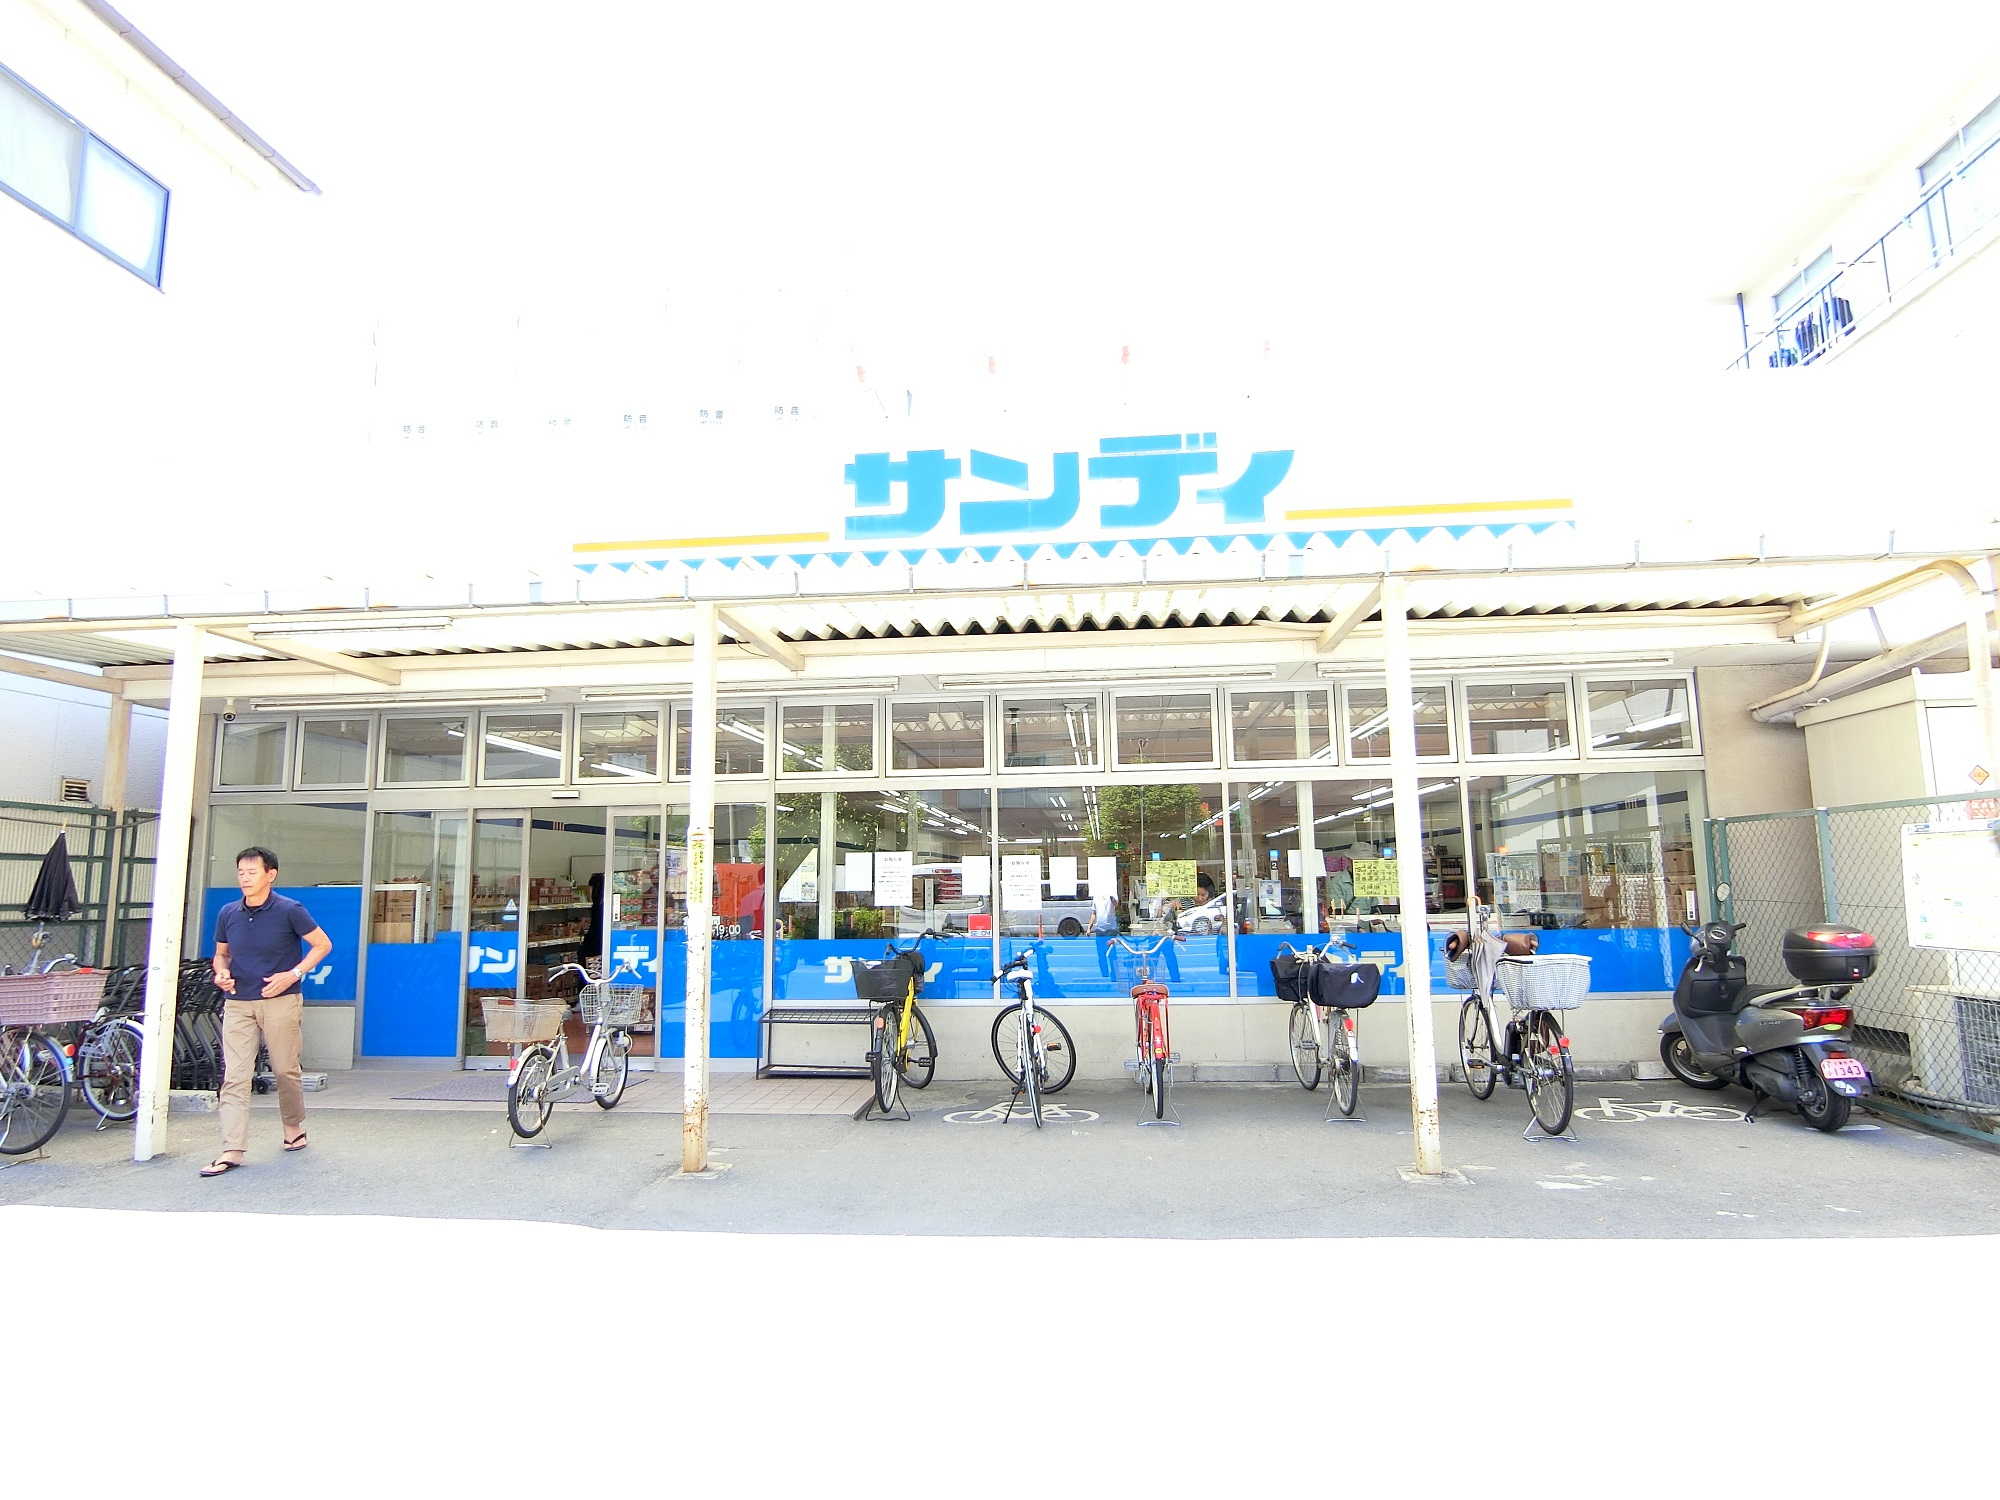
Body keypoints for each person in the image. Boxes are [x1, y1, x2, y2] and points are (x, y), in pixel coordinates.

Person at [201, 847, 333, 1178]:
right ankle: (232, 1149)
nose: (245, 878)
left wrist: (294, 973)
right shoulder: (228, 913)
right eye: (241, 873)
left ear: (270, 874)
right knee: (235, 1075)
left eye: (252, 872)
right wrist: (221, 972)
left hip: (281, 1000)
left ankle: (293, 1127)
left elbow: (322, 944)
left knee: (285, 1070)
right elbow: (221, 954)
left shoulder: (290, 910)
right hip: (238, 1001)